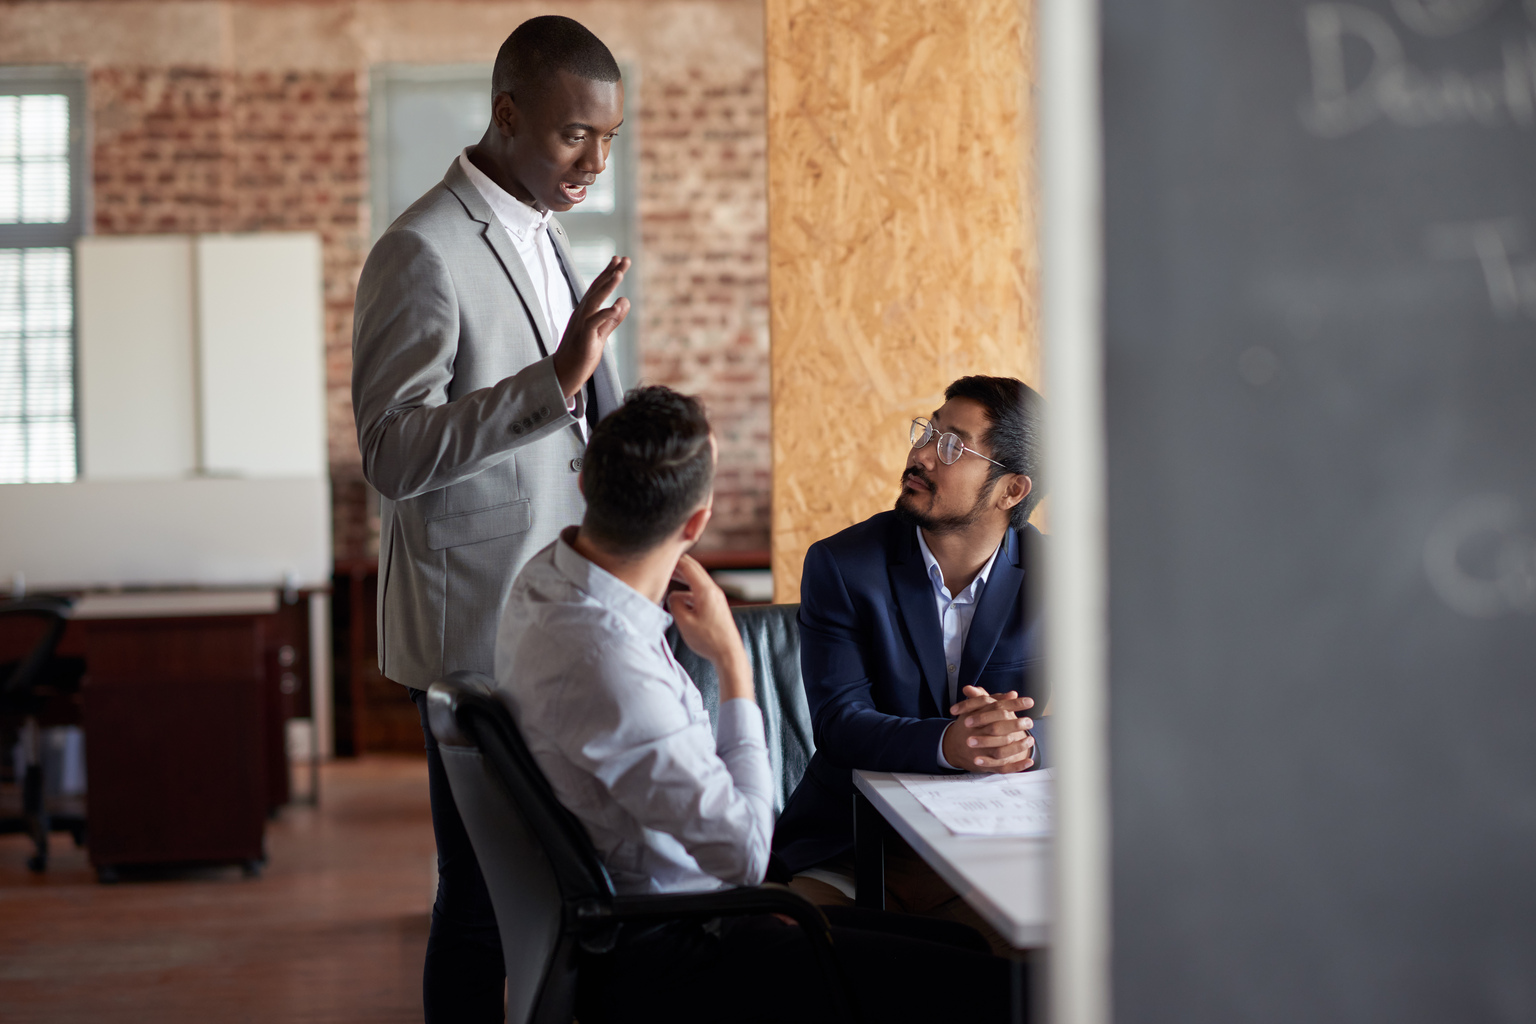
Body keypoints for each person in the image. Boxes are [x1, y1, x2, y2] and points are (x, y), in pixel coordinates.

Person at [494, 386, 1017, 1024]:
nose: (925, 451)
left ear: (586, 491)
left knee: (960, 948)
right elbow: (743, 856)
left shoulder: (542, 583)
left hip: (655, 917)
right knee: (994, 990)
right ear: (694, 526)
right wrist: (734, 667)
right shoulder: (617, 669)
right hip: (688, 945)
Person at [350, 16, 629, 1022]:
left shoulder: (554, 233)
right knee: (474, 902)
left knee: (565, 889)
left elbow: (575, 423)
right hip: (476, 637)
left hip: (566, 615)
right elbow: (390, 451)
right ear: (507, 116)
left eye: (609, 138)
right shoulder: (419, 249)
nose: (595, 161)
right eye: (572, 136)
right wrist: (551, 382)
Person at [772, 375, 1047, 950]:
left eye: (952, 446)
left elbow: (1116, 723)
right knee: (810, 963)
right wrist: (949, 743)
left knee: (1030, 974)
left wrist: (1022, 741)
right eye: (929, 432)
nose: (920, 455)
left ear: (1011, 490)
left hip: (984, 857)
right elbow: (841, 724)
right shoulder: (843, 565)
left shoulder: (1062, 579)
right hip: (849, 849)